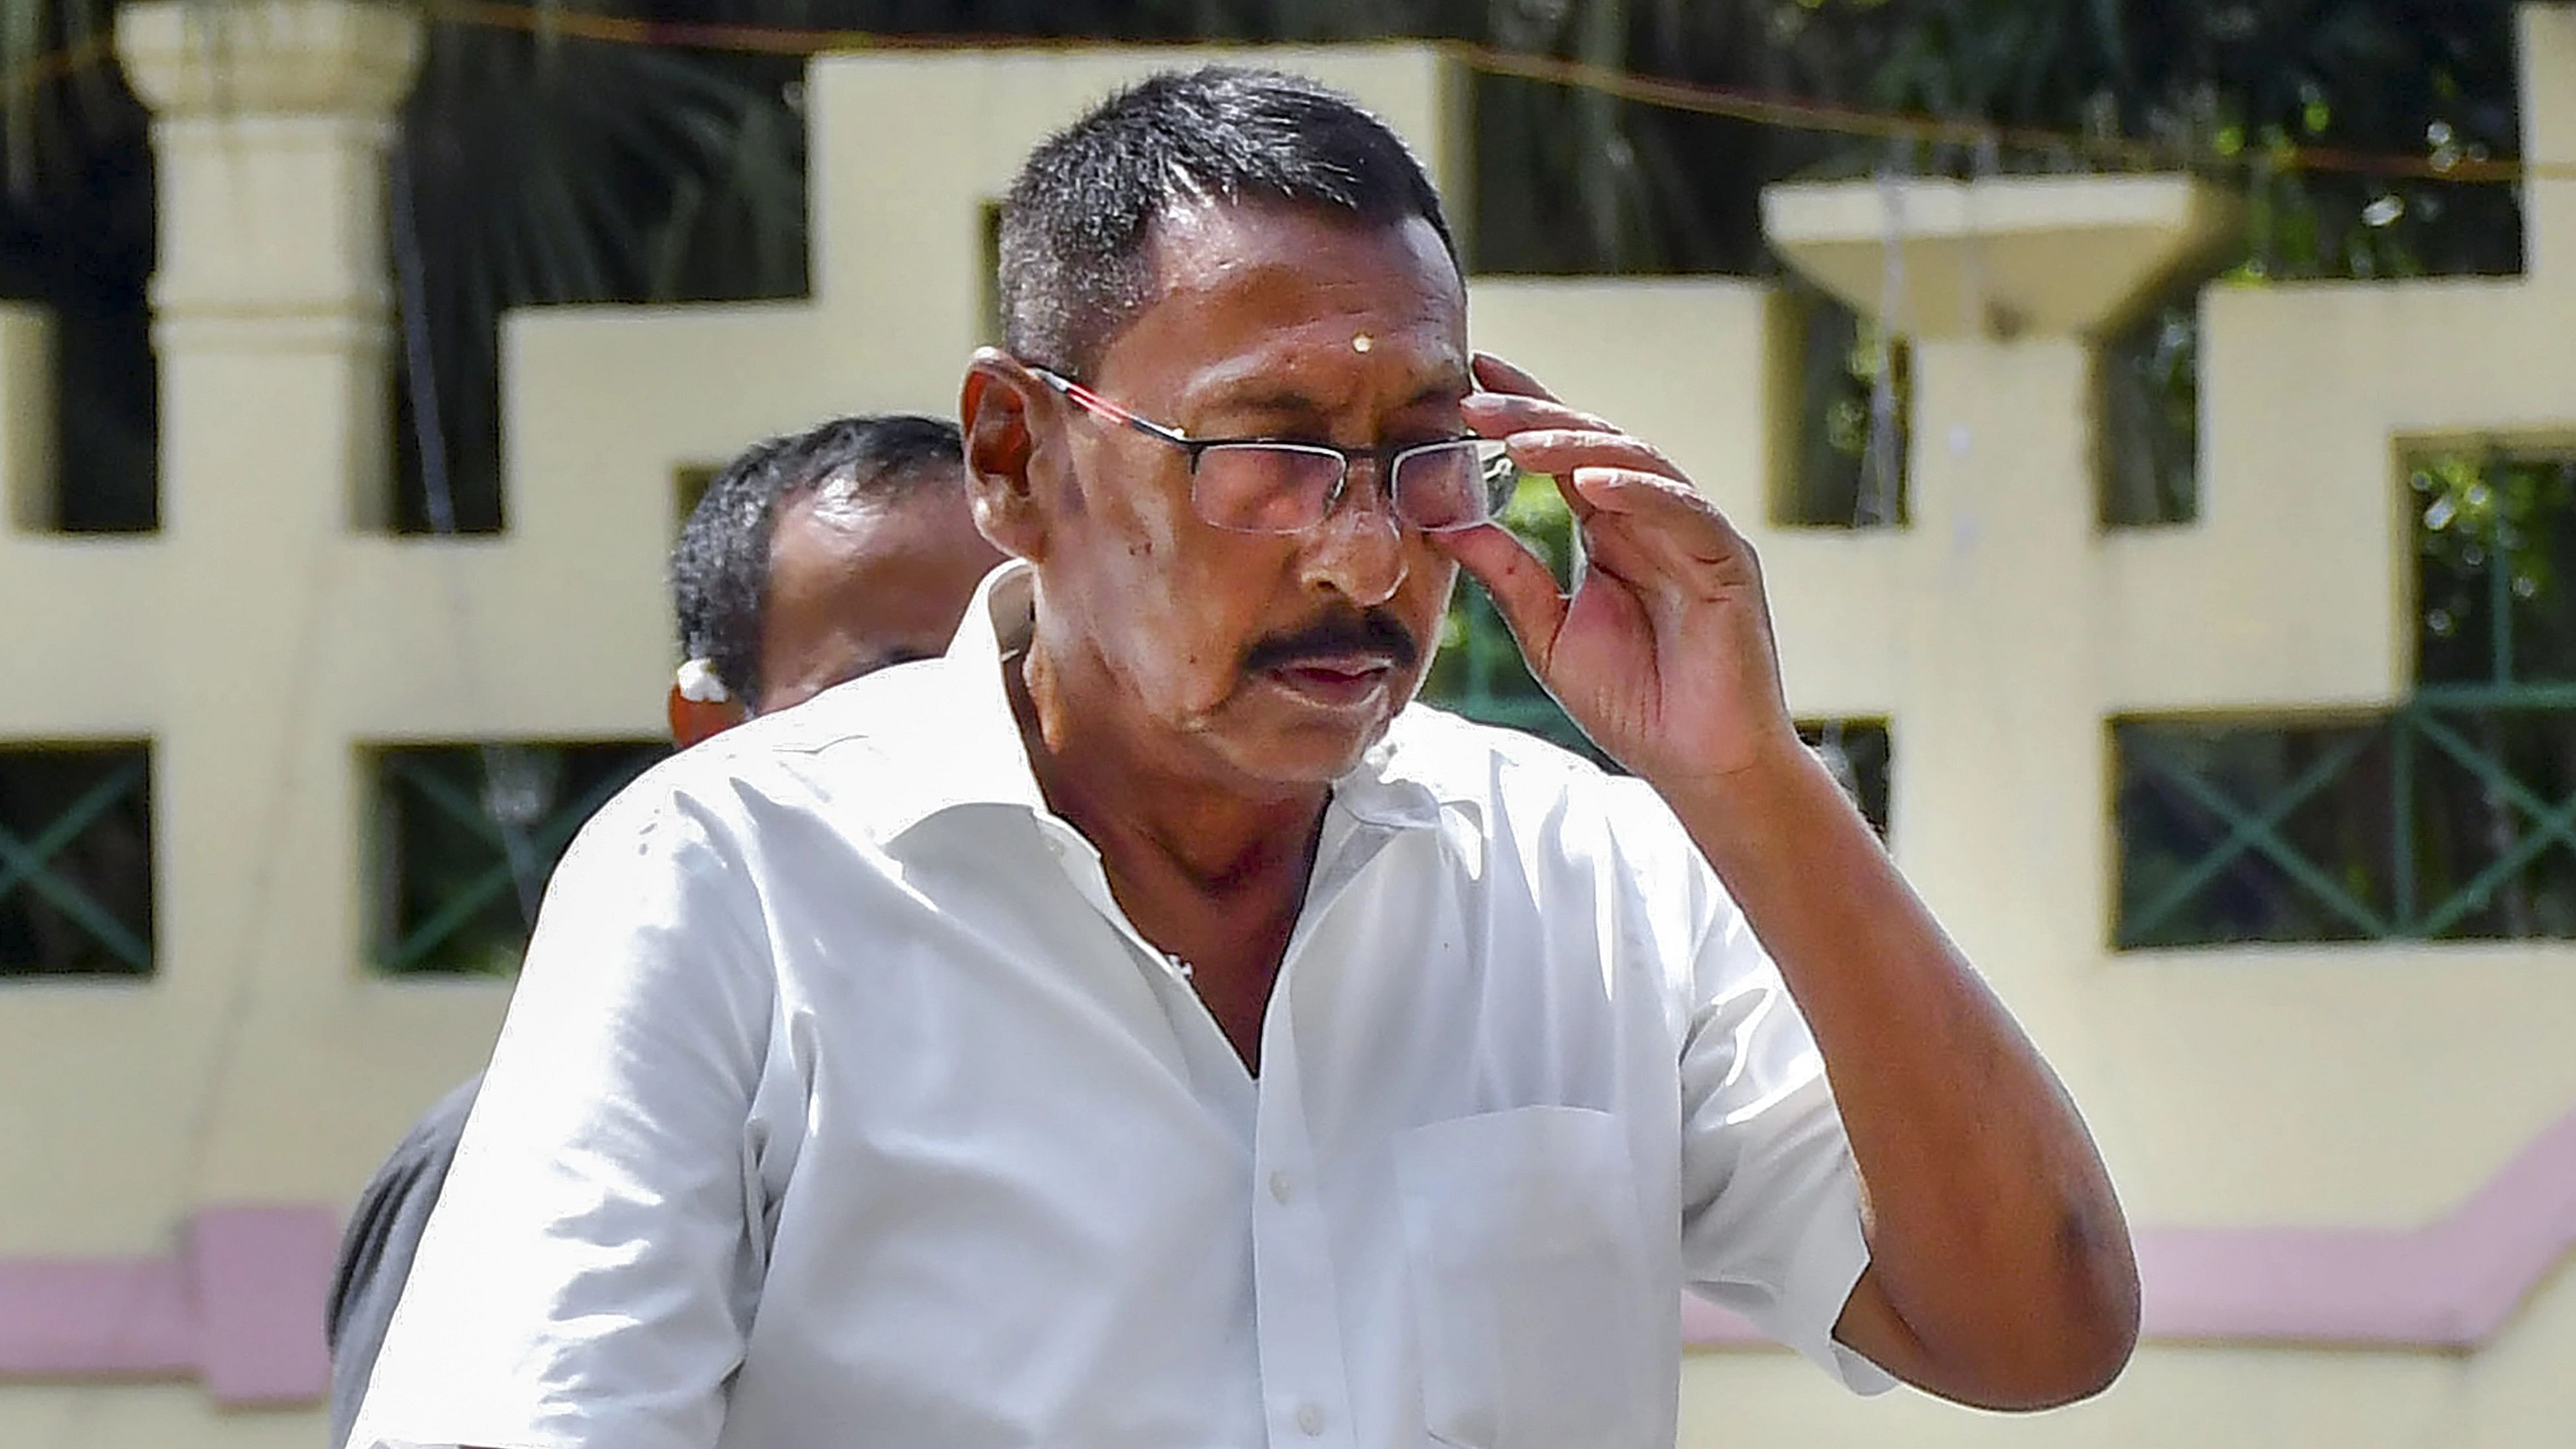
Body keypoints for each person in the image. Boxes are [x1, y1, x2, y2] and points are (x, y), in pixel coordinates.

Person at [350, 69, 2139, 1449]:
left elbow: (2037, 1326)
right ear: (1014, 455)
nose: (1365, 552)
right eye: (1266, 448)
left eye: (1424, 449)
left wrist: (1744, 779)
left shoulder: (1597, 877)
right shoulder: (730, 882)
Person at [324, 414, 1000, 1449]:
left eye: (1026, 683)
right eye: (892, 697)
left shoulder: (1182, 1089)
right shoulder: (540, 1145)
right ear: (711, 733)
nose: (985, 746)